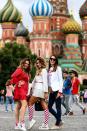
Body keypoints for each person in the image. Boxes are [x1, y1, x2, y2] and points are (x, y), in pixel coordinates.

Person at [28, 57, 49, 130]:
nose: (37, 64)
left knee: (30, 103)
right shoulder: (38, 71)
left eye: (39, 62)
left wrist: (46, 92)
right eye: (37, 63)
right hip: (39, 89)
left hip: (39, 89)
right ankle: (46, 124)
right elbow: (34, 81)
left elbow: (45, 81)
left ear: (42, 63)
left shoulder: (43, 70)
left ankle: (31, 120)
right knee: (44, 105)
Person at [10, 58, 31, 131]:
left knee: (18, 106)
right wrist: (18, 82)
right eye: (25, 63)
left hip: (24, 90)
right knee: (24, 104)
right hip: (20, 89)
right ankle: (22, 124)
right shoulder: (19, 69)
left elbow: (27, 82)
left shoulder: (26, 72)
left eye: (28, 64)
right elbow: (13, 76)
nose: (26, 65)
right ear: (22, 63)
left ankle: (16, 124)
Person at [48, 55, 63, 129]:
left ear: (56, 60)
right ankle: (59, 120)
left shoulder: (58, 68)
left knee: (58, 107)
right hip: (51, 91)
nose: (52, 60)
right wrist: (49, 87)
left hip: (57, 90)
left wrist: (60, 92)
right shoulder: (50, 69)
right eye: (51, 59)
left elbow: (61, 80)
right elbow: (49, 80)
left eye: (54, 59)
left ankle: (57, 124)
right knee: (49, 107)